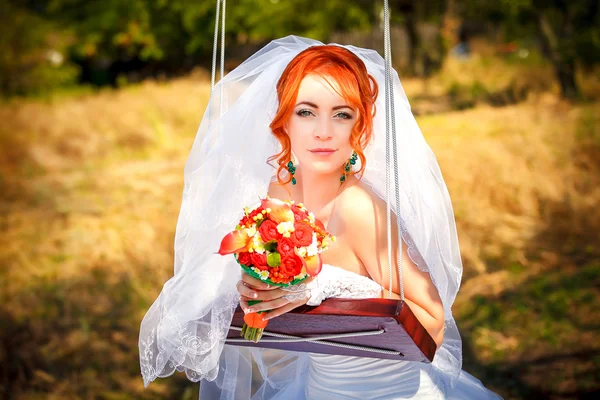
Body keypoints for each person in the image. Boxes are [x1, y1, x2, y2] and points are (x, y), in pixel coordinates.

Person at [139, 36, 503, 399]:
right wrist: (256, 288)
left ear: (359, 126)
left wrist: (323, 285)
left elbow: (433, 327)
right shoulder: (276, 198)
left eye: (342, 114)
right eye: (306, 112)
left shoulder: (358, 207)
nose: (323, 131)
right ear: (283, 122)